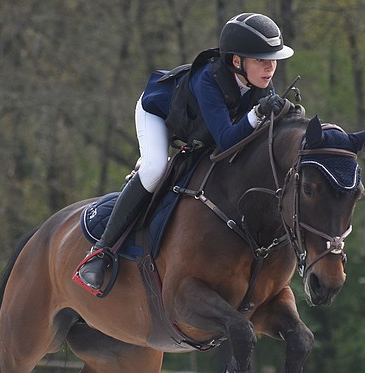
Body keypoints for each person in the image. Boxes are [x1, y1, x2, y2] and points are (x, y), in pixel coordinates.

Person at [74, 12, 294, 296]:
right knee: (155, 169)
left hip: (201, 131)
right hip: (159, 114)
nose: (270, 68)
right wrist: (259, 113)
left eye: (273, 59)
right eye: (261, 60)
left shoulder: (260, 82)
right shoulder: (208, 81)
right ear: (236, 62)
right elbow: (227, 140)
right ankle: (100, 252)